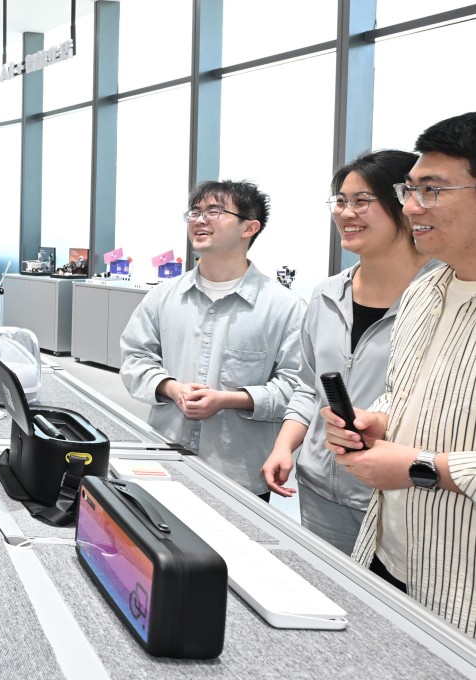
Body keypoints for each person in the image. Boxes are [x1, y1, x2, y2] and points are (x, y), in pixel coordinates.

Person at [323, 112, 476, 637]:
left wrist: (421, 468)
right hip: (389, 557)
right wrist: (377, 421)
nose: (411, 206)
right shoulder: (425, 294)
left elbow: (422, 463)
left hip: (462, 591)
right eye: (409, 189)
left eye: (431, 191)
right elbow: (405, 391)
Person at [261, 151, 438, 555]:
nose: (346, 213)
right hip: (322, 489)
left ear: (403, 204)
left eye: (362, 201)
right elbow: (309, 388)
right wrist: (284, 446)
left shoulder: (440, 299)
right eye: (341, 201)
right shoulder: (326, 296)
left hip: (403, 495)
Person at [120, 180, 304, 500]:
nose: (200, 220)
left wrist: (230, 399)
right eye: (195, 212)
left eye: (214, 212)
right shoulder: (164, 296)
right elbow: (135, 357)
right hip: (166, 457)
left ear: (249, 227)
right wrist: (171, 388)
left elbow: (298, 388)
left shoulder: (284, 307)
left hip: (239, 473)